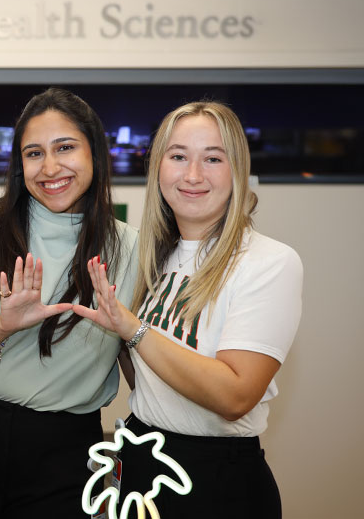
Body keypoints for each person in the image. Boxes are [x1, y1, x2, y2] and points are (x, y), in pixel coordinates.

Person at [71, 101, 301, 518]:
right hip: (141, 458)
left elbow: (235, 396)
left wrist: (133, 329)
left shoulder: (269, 262)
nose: (193, 175)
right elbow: (152, 382)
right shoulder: (151, 257)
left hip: (215, 479)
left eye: (213, 158)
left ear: (237, 171)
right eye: (178, 157)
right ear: (158, 167)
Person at [0, 88, 140, 518]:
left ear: (95, 151)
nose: (50, 167)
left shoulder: (131, 249)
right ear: (20, 165)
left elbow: (142, 370)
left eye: (65, 148)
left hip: (64, 455)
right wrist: (2, 327)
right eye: (34, 153)